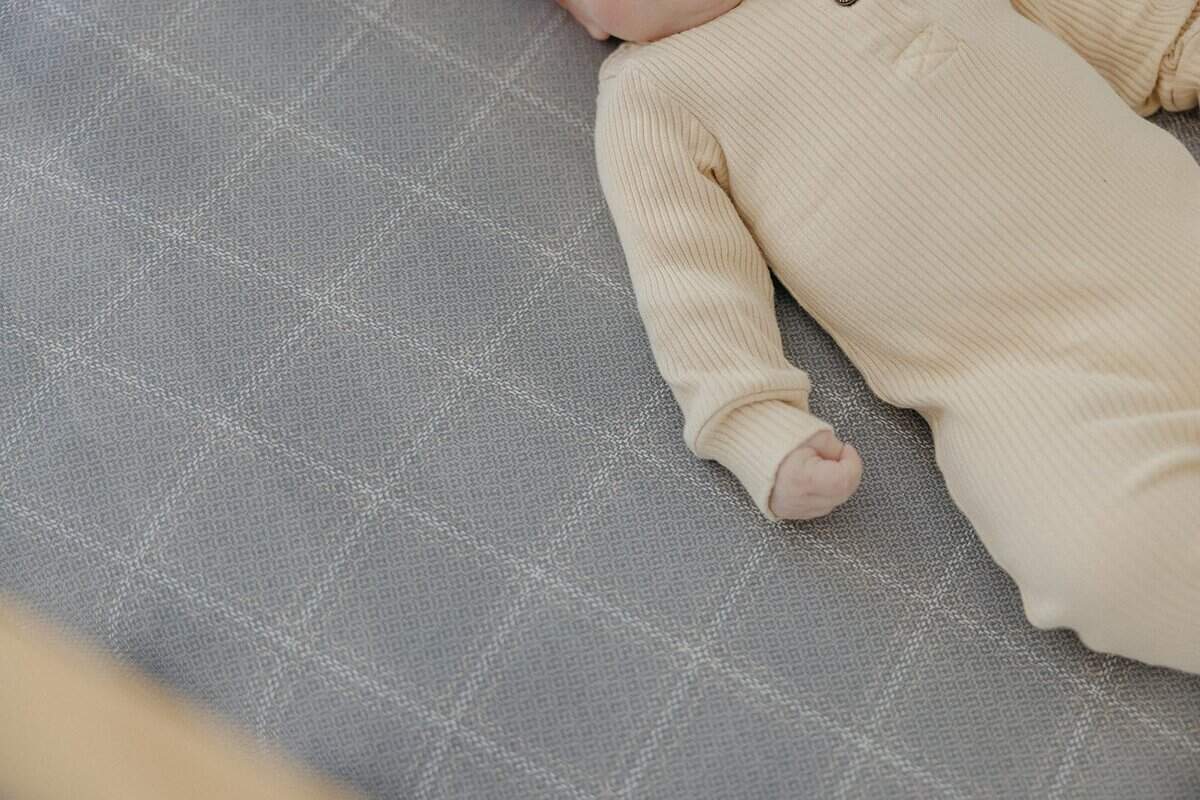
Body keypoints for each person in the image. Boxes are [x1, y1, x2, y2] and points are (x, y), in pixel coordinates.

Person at [565, 0, 1200, 674]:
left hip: (1166, 238)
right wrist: (752, 423)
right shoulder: (653, 93)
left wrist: (1177, 41)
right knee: (1107, 556)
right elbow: (688, 279)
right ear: (588, 20)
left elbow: (1107, 21)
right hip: (1019, 380)